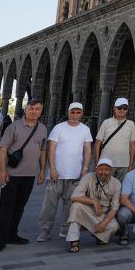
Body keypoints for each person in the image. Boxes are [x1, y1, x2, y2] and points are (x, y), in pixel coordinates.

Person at [0, 99, 48, 252]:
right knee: (6, 207)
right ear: (26, 109)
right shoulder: (14, 126)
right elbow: (3, 148)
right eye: (31, 108)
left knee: (19, 207)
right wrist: (2, 171)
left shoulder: (42, 128)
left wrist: (43, 170)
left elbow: (43, 150)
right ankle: (0, 240)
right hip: (12, 174)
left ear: (41, 111)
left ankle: (12, 234)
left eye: (38, 109)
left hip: (29, 175)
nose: (34, 112)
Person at [38, 103, 93, 242]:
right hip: (57, 174)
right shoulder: (59, 128)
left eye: (78, 113)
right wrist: (53, 169)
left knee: (70, 204)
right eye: (72, 112)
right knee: (49, 205)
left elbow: (87, 150)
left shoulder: (85, 129)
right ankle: (45, 230)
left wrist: (85, 169)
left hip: (74, 175)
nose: (75, 115)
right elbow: (51, 149)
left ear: (81, 114)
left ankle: (65, 229)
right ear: (68, 112)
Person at [65, 157, 122, 252]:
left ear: (111, 171)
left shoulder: (116, 183)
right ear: (96, 169)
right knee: (76, 206)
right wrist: (94, 202)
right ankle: (74, 240)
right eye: (100, 169)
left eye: (106, 170)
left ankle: (98, 234)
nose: (103, 172)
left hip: (103, 215)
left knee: (114, 226)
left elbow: (114, 208)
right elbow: (74, 197)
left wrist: (104, 223)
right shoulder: (88, 177)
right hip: (88, 210)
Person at [94, 97, 135, 182]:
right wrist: (96, 164)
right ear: (114, 109)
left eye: (125, 108)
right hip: (106, 163)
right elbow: (97, 144)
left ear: (127, 110)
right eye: (119, 108)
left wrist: (130, 165)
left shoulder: (131, 124)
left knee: (120, 189)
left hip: (124, 164)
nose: (122, 110)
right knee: (104, 188)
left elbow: (132, 146)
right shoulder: (106, 122)